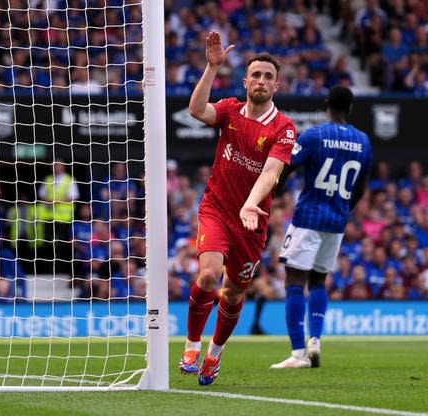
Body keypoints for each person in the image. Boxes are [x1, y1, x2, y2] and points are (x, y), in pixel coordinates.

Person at [179, 30, 297, 386]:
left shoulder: (284, 128)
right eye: (256, 75)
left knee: (233, 292)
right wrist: (212, 67)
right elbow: (196, 110)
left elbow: (272, 172)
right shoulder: (230, 110)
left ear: (276, 86)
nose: (261, 81)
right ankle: (191, 345)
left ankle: (214, 355)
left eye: (268, 77)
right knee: (209, 275)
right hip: (216, 208)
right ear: (245, 81)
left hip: (252, 222)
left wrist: (249, 204)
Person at [243, 86, 372, 368]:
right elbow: (361, 188)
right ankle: (316, 339)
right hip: (336, 222)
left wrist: (275, 195)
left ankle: (298, 353)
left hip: (309, 218)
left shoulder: (314, 135)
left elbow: (286, 166)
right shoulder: (363, 141)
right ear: (350, 109)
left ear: (326, 104)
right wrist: (343, 211)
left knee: (294, 283)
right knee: (318, 281)